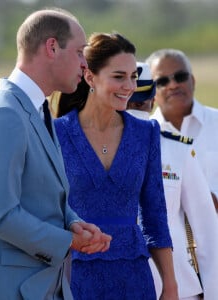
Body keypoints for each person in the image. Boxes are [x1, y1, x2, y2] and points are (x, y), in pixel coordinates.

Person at [0, 8, 112, 300]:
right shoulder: (5, 114)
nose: (84, 64)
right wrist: (68, 241)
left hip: (41, 287)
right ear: (52, 47)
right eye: (80, 52)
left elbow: (41, 194)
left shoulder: (35, 108)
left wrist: (73, 222)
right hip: (8, 290)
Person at [53, 32, 178, 300]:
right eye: (118, 76)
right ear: (90, 77)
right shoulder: (56, 134)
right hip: (74, 275)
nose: (129, 86)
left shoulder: (146, 133)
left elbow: (155, 216)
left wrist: (170, 285)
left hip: (133, 277)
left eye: (133, 76)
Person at [127, 62, 218, 300]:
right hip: (119, 283)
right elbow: (208, 232)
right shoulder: (92, 145)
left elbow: (207, 230)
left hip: (177, 287)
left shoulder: (176, 147)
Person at [146, 49, 218, 212]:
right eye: (163, 81)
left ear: (192, 80)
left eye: (180, 77)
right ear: (152, 91)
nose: (173, 85)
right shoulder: (143, 136)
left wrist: (208, 201)